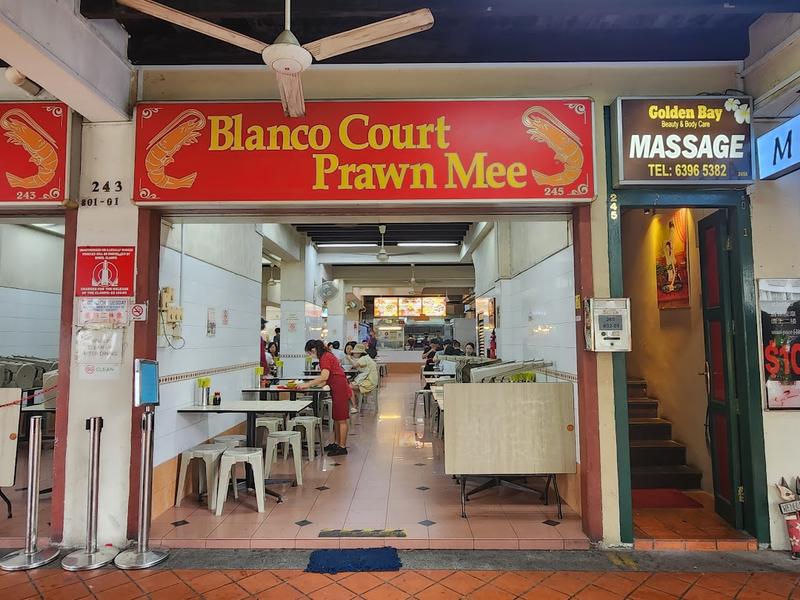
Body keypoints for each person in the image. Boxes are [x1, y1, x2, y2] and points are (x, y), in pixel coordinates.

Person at [298, 340, 352, 456]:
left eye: (309, 353)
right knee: (336, 417)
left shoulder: (325, 357)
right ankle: (337, 443)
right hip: (336, 387)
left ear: (313, 349)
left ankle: (342, 447)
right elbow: (326, 379)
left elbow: (324, 376)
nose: (310, 355)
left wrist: (307, 384)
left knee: (341, 419)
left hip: (340, 388)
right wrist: (313, 385)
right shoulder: (326, 355)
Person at [348, 343, 379, 414]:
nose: (354, 354)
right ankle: (356, 404)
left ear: (359, 353)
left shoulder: (363, 358)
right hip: (372, 380)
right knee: (352, 386)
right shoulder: (367, 358)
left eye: (355, 352)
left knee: (349, 387)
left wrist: (349, 359)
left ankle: (354, 406)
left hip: (369, 381)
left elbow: (355, 365)